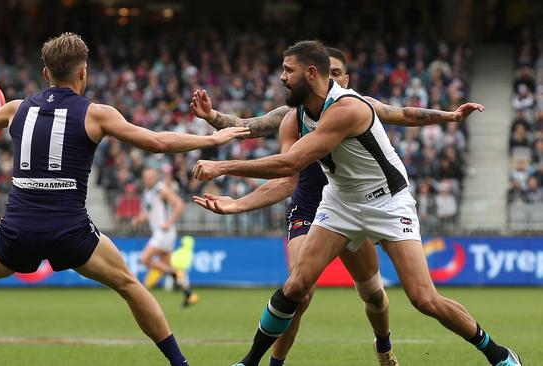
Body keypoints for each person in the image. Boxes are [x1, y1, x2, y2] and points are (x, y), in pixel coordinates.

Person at [193, 40, 521, 366]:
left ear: (311, 73)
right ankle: (250, 362)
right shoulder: (295, 115)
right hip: (339, 202)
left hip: (387, 203)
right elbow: (254, 131)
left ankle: (498, 353)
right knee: (297, 287)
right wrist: (214, 121)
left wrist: (222, 167)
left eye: (287, 71)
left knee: (424, 299)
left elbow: (291, 163)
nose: (281, 77)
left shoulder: (348, 109)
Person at [0, 32, 249, 366]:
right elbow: (157, 142)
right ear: (83, 72)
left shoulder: (17, 110)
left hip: (19, 229)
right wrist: (211, 138)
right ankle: (181, 364)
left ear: (45, 73)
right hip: (71, 232)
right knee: (130, 285)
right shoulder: (96, 114)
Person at [133, 168, 198, 307]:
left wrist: (169, 222)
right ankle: (189, 294)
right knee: (167, 265)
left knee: (144, 259)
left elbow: (179, 204)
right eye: (146, 177)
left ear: (156, 177)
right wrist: (139, 219)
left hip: (163, 233)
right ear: (143, 179)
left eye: (151, 176)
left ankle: (173, 274)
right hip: (162, 234)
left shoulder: (161, 189)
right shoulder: (148, 193)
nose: (149, 179)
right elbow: (149, 213)